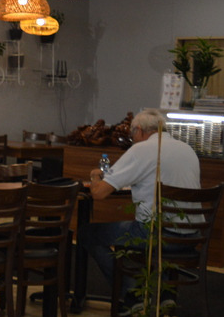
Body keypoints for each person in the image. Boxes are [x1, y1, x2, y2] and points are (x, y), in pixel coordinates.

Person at [77, 108, 200, 305]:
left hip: (156, 234)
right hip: (193, 235)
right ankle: (165, 295)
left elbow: (99, 193)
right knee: (154, 223)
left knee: (87, 234)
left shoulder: (141, 150)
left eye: (132, 134)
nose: (132, 139)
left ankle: (132, 294)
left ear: (140, 130)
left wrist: (95, 176)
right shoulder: (187, 149)